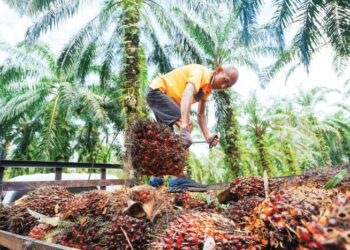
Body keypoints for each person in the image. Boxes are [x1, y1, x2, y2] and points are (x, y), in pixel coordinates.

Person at [146, 64, 239, 191]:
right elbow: (187, 93)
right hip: (158, 92)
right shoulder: (200, 72)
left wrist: (207, 137)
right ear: (219, 71)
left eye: (227, 86)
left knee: (165, 140)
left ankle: (156, 179)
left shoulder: (208, 89)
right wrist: (184, 126)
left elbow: (201, 115)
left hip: (164, 98)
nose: (223, 86)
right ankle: (178, 177)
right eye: (225, 81)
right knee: (188, 125)